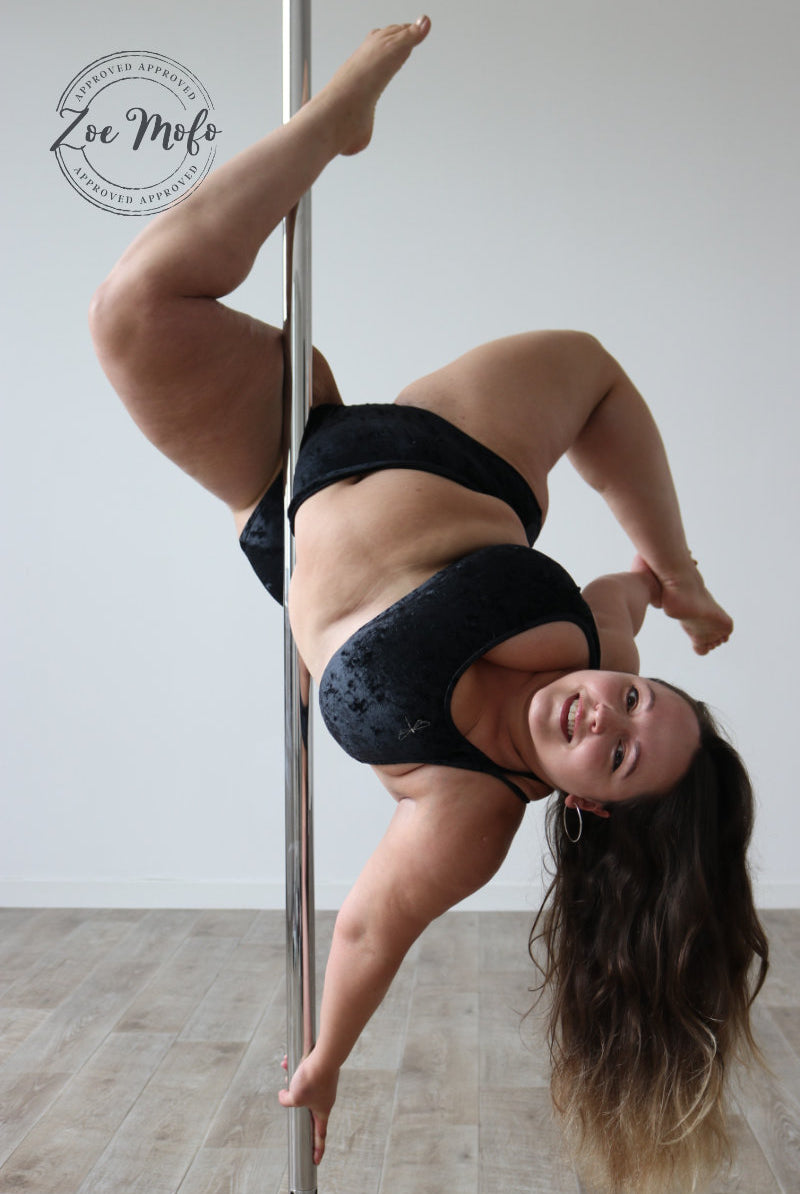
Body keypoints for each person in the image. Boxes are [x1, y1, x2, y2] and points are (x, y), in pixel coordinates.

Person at [89, 18, 768, 1194]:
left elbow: (368, 928)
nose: (600, 713)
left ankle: (326, 125)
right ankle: (332, 125)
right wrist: (668, 578)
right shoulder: (599, 651)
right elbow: (616, 594)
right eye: (634, 701)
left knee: (131, 309)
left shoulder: (468, 815)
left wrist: (327, 1059)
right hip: (452, 452)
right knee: (588, 365)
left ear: (588, 807)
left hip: (285, 484)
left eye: (614, 753)